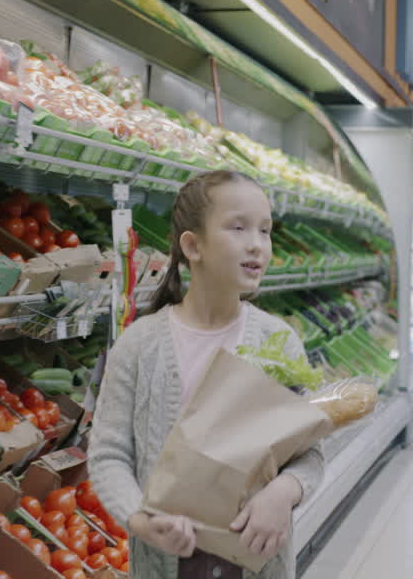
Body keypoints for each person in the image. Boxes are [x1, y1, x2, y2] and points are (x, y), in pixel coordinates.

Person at [89, 170, 324, 579]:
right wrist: (141, 519)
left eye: (265, 231)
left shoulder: (278, 342)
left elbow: (309, 454)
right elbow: (110, 455)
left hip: (257, 563)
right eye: (238, 227)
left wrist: (283, 495)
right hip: (165, 564)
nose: (257, 245)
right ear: (192, 246)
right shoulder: (140, 345)